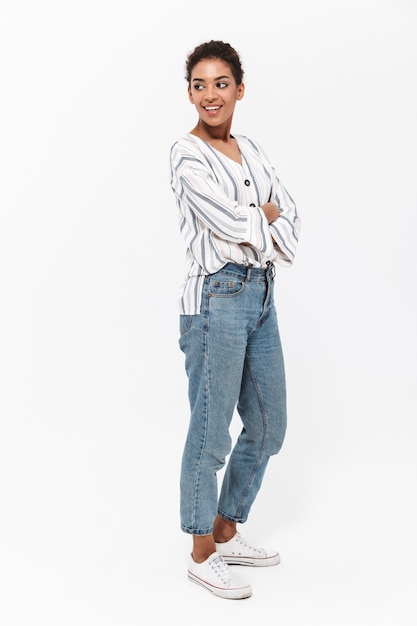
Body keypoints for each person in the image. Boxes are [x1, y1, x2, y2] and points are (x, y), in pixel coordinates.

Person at [169, 40, 301, 600]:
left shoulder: (252, 149)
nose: (209, 94)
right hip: (216, 298)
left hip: (261, 293)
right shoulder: (185, 153)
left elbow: (289, 213)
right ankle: (201, 552)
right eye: (199, 84)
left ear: (239, 89)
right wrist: (262, 216)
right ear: (190, 93)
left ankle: (226, 530)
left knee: (270, 426)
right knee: (211, 430)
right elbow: (230, 222)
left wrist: (265, 219)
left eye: (220, 83)